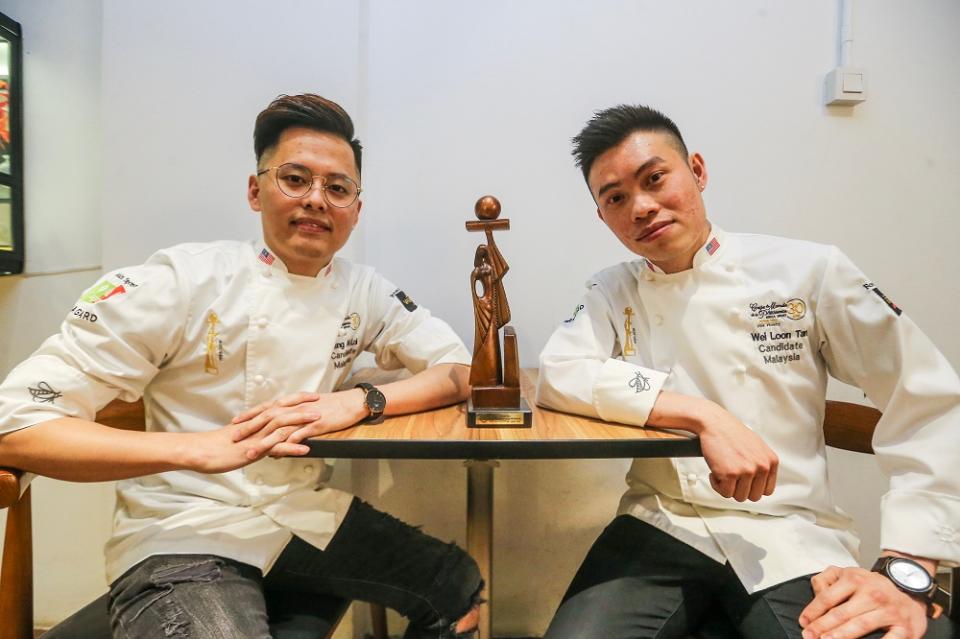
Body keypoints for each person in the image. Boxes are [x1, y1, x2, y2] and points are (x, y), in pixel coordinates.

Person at [0, 94, 481, 639]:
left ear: (356, 207)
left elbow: (463, 370)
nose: (317, 200)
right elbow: (15, 426)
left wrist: (360, 400)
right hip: (185, 528)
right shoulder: (181, 280)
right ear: (256, 191)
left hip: (298, 511)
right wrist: (196, 450)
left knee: (456, 587)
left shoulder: (362, 290)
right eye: (295, 179)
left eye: (337, 187)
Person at [537, 104, 959, 639]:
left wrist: (910, 571)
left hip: (790, 531)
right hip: (662, 521)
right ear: (604, 217)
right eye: (616, 198)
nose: (641, 207)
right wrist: (701, 414)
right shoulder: (610, 289)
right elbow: (558, 374)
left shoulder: (807, 270)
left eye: (655, 178)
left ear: (697, 170)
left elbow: (929, 400)